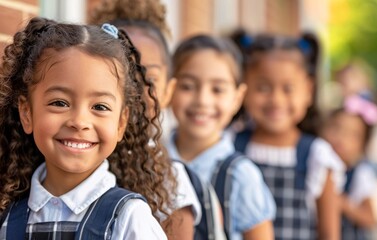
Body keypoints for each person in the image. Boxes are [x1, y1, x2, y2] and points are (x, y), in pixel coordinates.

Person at [0, 17, 175, 239]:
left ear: (121, 123)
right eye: (60, 103)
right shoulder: (7, 215)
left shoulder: (128, 219)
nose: (79, 121)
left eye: (100, 107)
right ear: (27, 113)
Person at [89, 1, 204, 239]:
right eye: (124, 75)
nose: (135, 90)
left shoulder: (169, 179)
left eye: (149, 77)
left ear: (169, 90)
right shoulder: (74, 151)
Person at [233, 34, 345, 240]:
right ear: (244, 88)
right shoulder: (229, 146)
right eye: (263, 88)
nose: (276, 100)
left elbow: (330, 234)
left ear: (308, 91)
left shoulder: (317, 156)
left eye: (288, 89)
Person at [166, 34, 276, 240]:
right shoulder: (148, 160)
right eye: (188, 86)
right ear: (169, 88)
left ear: (237, 98)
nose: (202, 100)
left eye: (217, 89)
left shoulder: (240, 176)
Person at [322, 95, 377, 240]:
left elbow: (370, 219)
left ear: (363, 145)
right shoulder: (316, 166)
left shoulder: (360, 174)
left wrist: (342, 203)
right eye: (336, 128)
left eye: (352, 135)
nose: (341, 138)